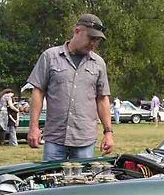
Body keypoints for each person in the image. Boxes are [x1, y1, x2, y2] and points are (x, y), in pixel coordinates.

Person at [27, 13, 114, 161]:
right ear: (77, 31)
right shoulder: (50, 57)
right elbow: (38, 92)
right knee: (50, 181)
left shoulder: (99, 64)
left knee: (82, 183)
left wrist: (108, 132)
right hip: (55, 138)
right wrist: (33, 127)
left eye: (97, 40)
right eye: (91, 38)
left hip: (85, 140)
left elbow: (102, 99)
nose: (93, 43)